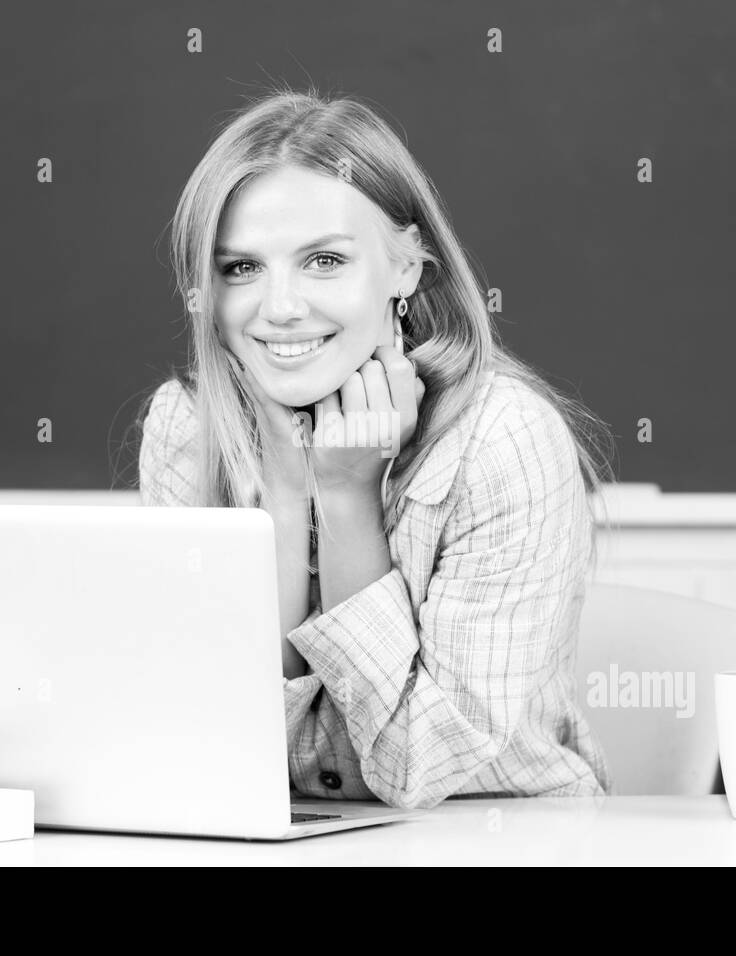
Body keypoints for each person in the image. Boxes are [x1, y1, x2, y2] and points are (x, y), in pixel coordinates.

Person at [134, 85, 615, 810]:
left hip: (503, 838)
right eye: (241, 268)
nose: (282, 307)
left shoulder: (502, 441)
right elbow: (213, 749)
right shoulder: (185, 431)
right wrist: (287, 496)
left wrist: (348, 495)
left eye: (324, 260)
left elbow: (415, 769)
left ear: (407, 267)